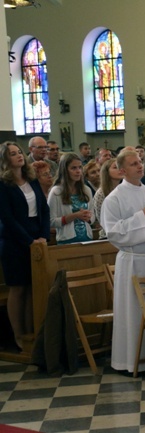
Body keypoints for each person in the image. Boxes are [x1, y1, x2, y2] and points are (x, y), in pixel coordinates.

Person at [101, 150, 145, 373]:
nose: (140, 166)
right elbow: (113, 232)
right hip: (132, 261)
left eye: (140, 162)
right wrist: (142, 217)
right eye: (133, 164)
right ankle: (131, 360)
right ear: (122, 170)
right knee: (133, 312)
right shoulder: (114, 198)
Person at [0, 142, 49, 350]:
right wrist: (29, 240)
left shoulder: (31, 180)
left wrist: (44, 237)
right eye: (13, 154)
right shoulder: (3, 184)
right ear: (4, 160)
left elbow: (43, 210)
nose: (19, 156)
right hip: (14, 241)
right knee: (18, 288)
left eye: (19, 152)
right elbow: (7, 218)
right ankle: (18, 335)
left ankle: (32, 332)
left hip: (37, 237)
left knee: (33, 287)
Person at [48, 153, 94, 244]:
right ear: (65, 170)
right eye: (73, 168)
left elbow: (92, 214)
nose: (78, 171)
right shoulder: (56, 192)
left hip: (87, 239)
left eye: (80, 167)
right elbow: (51, 221)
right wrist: (75, 215)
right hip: (66, 240)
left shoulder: (86, 189)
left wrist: (88, 218)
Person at [93, 158, 123, 239]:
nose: (120, 169)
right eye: (115, 167)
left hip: (124, 233)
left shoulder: (124, 189)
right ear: (107, 172)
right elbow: (101, 218)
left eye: (120, 167)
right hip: (107, 235)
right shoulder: (101, 193)